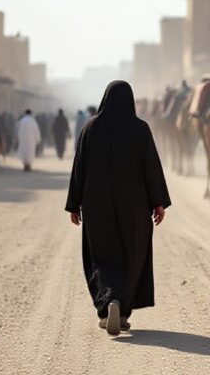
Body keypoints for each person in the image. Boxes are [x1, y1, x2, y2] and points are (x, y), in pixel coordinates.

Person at [65, 81, 170, 336]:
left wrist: (74, 204)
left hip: (96, 204)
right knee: (132, 254)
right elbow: (151, 168)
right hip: (133, 206)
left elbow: (80, 167)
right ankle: (121, 310)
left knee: (100, 256)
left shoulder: (90, 128)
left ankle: (108, 304)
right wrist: (158, 202)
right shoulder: (140, 129)